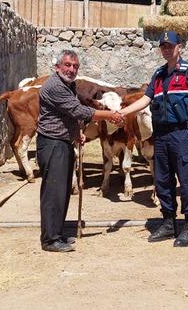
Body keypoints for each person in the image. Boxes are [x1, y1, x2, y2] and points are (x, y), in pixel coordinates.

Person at [120, 31, 188, 247]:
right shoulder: (158, 75)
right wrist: (123, 112)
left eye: (171, 45)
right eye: (163, 46)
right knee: (162, 181)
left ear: (180, 47)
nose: (167, 49)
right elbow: (146, 100)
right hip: (161, 136)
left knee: (186, 181)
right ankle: (168, 222)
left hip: (183, 134)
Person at [36, 49, 123, 253]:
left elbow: (68, 114)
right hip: (52, 143)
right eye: (67, 65)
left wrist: (76, 133)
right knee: (53, 192)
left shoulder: (68, 85)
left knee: (62, 190)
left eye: (75, 66)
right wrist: (110, 115)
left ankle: (56, 232)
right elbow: (79, 111)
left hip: (63, 141)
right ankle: (49, 240)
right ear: (57, 67)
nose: (72, 69)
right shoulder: (55, 86)